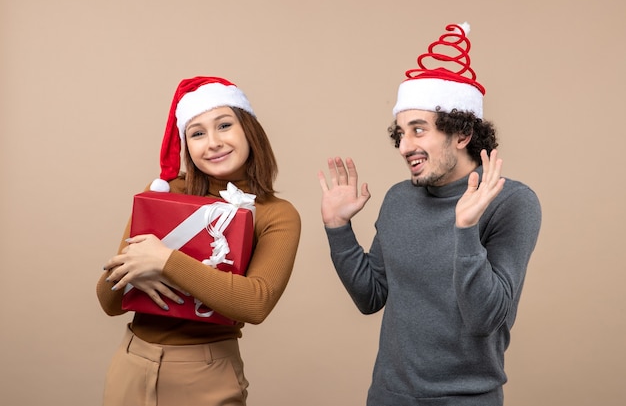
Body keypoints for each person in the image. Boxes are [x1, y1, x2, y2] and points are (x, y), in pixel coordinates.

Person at [318, 23, 541, 406]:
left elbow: (486, 319)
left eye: (418, 131)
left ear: (461, 133)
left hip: (466, 399)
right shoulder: (398, 199)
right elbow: (371, 296)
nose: (404, 146)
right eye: (400, 133)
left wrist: (466, 229)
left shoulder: (510, 201)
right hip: (388, 396)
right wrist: (338, 228)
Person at [96, 76, 301, 406]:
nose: (214, 142)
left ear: (249, 129)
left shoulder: (276, 214)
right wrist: (134, 269)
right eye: (197, 133)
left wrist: (163, 262)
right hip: (130, 366)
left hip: (207, 374)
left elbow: (255, 302)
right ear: (187, 146)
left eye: (224, 125)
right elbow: (108, 302)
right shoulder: (164, 194)